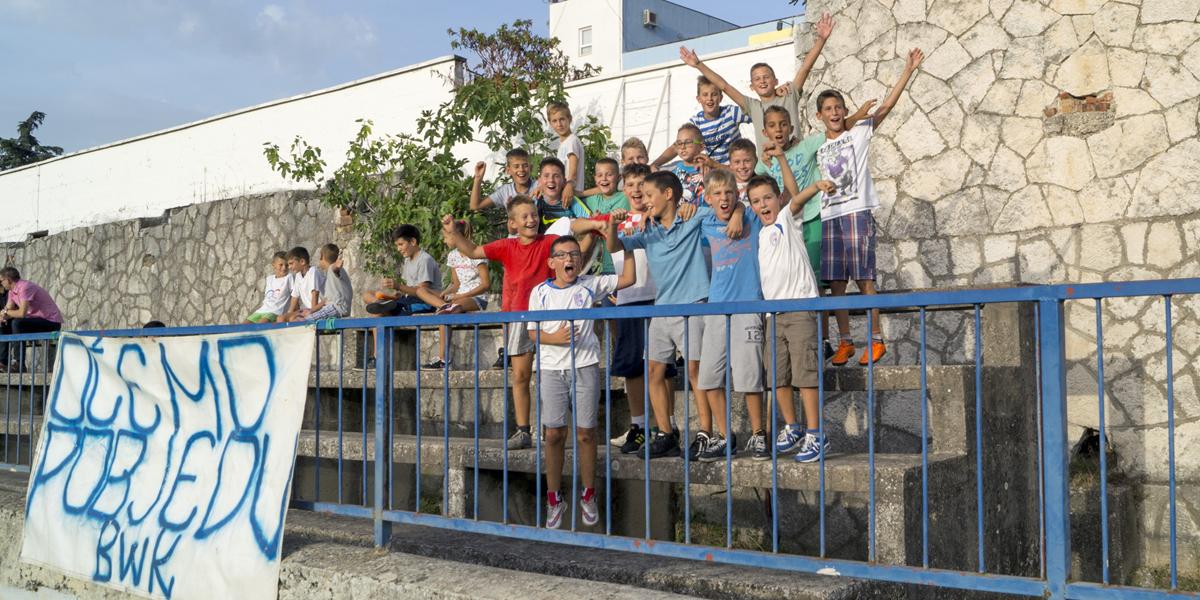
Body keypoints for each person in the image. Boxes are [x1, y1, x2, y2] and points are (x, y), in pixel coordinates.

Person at [613, 171, 739, 459]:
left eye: (649, 195)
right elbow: (615, 245)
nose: (644, 200)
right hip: (663, 308)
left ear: (668, 194)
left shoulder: (692, 216)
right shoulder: (648, 229)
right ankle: (666, 433)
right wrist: (611, 224)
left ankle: (706, 432)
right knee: (653, 371)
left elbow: (726, 208)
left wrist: (739, 211)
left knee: (696, 372)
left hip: (693, 305)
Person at [817, 48, 925, 366]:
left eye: (838, 107)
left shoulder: (859, 133)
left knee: (864, 278)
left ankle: (876, 339)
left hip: (856, 212)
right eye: (828, 108)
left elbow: (886, 106)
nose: (834, 112)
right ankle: (845, 341)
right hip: (830, 216)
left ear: (845, 111)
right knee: (836, 284)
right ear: (820, 115)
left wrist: (908, 71)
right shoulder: (817, 146)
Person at [527, 233, 636, 529]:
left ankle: (588, 493)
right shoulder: (539, 292)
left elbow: (629, 278)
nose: (569, 259)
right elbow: (533, 332)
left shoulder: (590, 285)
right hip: (551, 368)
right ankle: (554, 498)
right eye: (562, 255)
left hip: (585, 366)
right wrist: (556, 338)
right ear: (552, 263)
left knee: (586, 433)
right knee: (553, 434)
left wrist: (627, 245)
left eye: (574, 254)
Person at [442, 196, 557, 450]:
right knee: (520, 375)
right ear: (513, 223)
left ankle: (552, 429)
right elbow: (473, 251)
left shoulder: (550, 241)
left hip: (548, 317)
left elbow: (575, 240)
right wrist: (454, 233)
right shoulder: (507, 246)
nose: (531, 220)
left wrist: (599, 226)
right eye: (524, 216)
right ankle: (523, 430)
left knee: (551, 374)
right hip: (518, 317)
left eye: (534, 215)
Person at [747, 168, 836, 462]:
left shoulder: (787, 219)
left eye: (767, 198)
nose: (763, 205)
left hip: (799, 308)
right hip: (773, 314)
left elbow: (796, 199)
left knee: (805, 374)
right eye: (756, 201)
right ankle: (793, 426)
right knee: (776, 375)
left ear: (778, 198)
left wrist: (816, 185)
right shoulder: (761, 234)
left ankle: (816, 433)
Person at [680, 13, 836, 150]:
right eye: (757, 79)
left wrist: (821, 39)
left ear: (775, 81)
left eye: (766, 77)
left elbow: (805, 68)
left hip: (797, 161)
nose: (762, 81)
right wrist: (699, 65)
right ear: (752, 86)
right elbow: (724, 86)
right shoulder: (752, 106)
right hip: (769, 168)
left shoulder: (789, 95)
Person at [606, 164, 677, 454]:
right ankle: (639, 426)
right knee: (632, 367)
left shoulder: (660, 216)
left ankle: (668, 425)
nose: (636, 190)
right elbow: (610, 246)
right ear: (623, 189)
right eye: (630, 185)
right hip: (629, 299)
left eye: (641, 185)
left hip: (659, 298)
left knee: (664, 367)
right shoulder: (619, 220)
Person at [694, 168, 763, 461]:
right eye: (718, 194)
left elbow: (761, 200)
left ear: (737, 195)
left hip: (747, 304)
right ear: (708, 198)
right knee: (708, 378)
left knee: (749, 376)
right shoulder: (704, 222)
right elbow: (678, 217)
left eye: (729, 193)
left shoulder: (751, 219)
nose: (724, 198)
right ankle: (725, 436)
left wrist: (740, 210)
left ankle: (759, 434)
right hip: (716, 307)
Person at [424, 220, 492, 370]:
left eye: (446, 237)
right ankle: (442, 359)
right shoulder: (452, 256)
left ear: (456, 236)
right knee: (443, 311)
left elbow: (486, 285)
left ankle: (443, 359)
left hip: (476, 298)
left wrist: (461, 296)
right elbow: (456, 284)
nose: (444, 240)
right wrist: (446, 292)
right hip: (459, 298)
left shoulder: (477, 252)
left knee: (451, 308)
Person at [652, 76, 752, 167]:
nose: (709, 98)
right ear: (699, 99)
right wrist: (655, 164)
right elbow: (675, 147)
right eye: (705, 95)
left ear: (721, 98)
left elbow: (757, 116)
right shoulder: (696, 123)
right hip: (711, 169)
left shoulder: (731, 113)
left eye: (714, 94)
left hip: (736, 168)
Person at [365, 225, 444, 316]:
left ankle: (382, 307)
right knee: (367, 294)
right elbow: (408, 288)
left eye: (401, 244)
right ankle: (379, 303)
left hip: (423, 302)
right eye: (397, 245)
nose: (398, 249)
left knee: (378, 313)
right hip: (408, 299)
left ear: (413, 242)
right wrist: (396, 295)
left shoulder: (424, 260)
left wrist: (398, 286)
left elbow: (422, 292)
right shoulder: (407, 260)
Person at [569, 157, 629, 276]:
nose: (604, 178)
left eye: (609, 175)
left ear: (619, 177)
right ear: (595, 179)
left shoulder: (626, 196)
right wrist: (570, 187)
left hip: (624, 261)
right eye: (600, 175)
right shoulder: (590, 201)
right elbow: (571, 199)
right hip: (603, 265)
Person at [0, 267, 63, 373]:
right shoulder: (12, 291)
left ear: (8, 279)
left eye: (1, 280)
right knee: (4, 324)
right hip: (35, 321)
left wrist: (6, 312)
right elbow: (7, 310)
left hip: (51, 322)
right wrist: (2, 316)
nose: (1, 283)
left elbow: (21, 313)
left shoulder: (24, 287)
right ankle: (3, 362)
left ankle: (19, 364)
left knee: (17, 323)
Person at [469, 148, 533, 213]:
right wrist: (478, 179)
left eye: (525, 166)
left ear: (531, 168)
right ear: (508, 170)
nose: (521, 169)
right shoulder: (505, 191)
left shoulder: (537, 186)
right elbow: (475, 206)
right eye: (516, 166)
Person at [662, 123, 708, 207]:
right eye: (679, 143)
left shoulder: (708, 170)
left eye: (688, 142)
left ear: (701, 146)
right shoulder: (674, 171)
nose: (683, 147)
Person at [303, 244, 353, 321]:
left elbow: (334, 268)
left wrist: (336, 265)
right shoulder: (331, 277)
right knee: (307, 317)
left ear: (321, 256)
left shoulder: (331, 268)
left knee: (307, 320)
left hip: (336, 308)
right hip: (336, 308)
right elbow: (325, 301)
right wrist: (311, 310)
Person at [547, 101, 585, 202]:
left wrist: (569, 186)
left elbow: (573, 173)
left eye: (562, 119)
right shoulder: (563, 144)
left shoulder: (572, 141)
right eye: (554, 121)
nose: (559, 124)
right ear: (550, 123)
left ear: (570, 119)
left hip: (571, 195)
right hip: (563, 194)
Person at [245, 251, 293, 323]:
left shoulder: (289, 277)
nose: (284, 268)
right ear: (273, 265)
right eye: (281, 265)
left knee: (262, 323)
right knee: (244, 324)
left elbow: (295, 295)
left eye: (286, 265)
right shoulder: (269, 279)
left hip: (276, 312)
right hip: (262, 310)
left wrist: (290, 312)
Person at [532, 157, 576, 234]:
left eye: (556, 176)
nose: (551, 180)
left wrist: (570, 184)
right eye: (546, 176)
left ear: (564, 181)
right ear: (539, 180)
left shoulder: (572, 202)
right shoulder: (534, 202)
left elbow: (588, 223)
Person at [281, 246, 324, 323]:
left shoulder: (313, 272)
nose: (289, 267)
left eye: (291, 263)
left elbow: (315, 295)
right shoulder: (298, 275)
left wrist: (312, 314)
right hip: (308, 310)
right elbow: (294, 297)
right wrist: (289, 314)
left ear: (302, 262)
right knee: (281, 318)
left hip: (318, 310)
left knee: (293, 320)